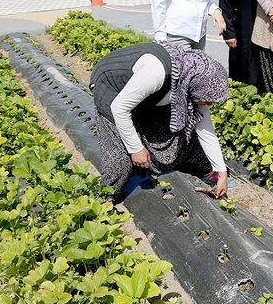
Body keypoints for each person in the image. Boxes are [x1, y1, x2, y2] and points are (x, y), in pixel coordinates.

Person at [90, 41, 230, 202]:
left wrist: (221, 171)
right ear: (194, 87)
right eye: (207, 100)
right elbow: (119, 108)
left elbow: (205, 130)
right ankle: (103, 202)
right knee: (120, 161)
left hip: (146, 93)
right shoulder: (157, 73)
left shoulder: (190, 81)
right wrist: (135, 149)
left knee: (174, 139)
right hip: (111, 88)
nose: (209, 104)